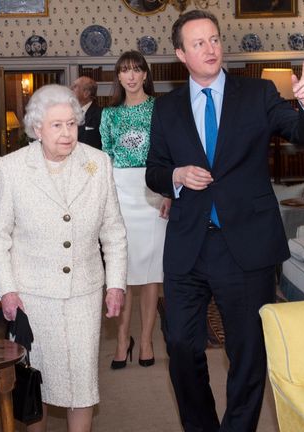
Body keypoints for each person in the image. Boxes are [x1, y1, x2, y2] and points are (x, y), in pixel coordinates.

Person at [145, 10, 304, 432]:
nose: (210, 49)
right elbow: (154, 169)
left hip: (245, 245)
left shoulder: (258, 93)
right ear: (180, 54)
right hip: (189, 244)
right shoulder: (167, 108)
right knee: (181, 346)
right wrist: (176, 175)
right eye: (198, 43)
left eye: (214, 39)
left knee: (247, 352)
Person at [0, 84, 127, 432]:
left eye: (72, 124)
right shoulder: (12, 168)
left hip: (84, 290)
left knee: (82, 384)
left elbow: (114, 231)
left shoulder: (98, 163)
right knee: (38, 383)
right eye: (56, 126)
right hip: (33, 295)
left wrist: (117, 284)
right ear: (37, 129)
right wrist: (6, 290)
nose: (67, 133)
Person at [100, 50, 171, 370]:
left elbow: (170, 153)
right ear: (118, 77)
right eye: (124, 71)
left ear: (145, 75)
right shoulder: (108, 115)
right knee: (123, 273)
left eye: (136, 70)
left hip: (152, 192)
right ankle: (121, 339)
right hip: (119, 195)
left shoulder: (161, 109)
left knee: (151, 274)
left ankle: (145, 341)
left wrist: (169, 191)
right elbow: (104, 161)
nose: (130, 76)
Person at [72, 76, 104, 150]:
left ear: (86, 93)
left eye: (75, 87)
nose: (71, 89)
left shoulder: (101, 115)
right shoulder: (67, 114)